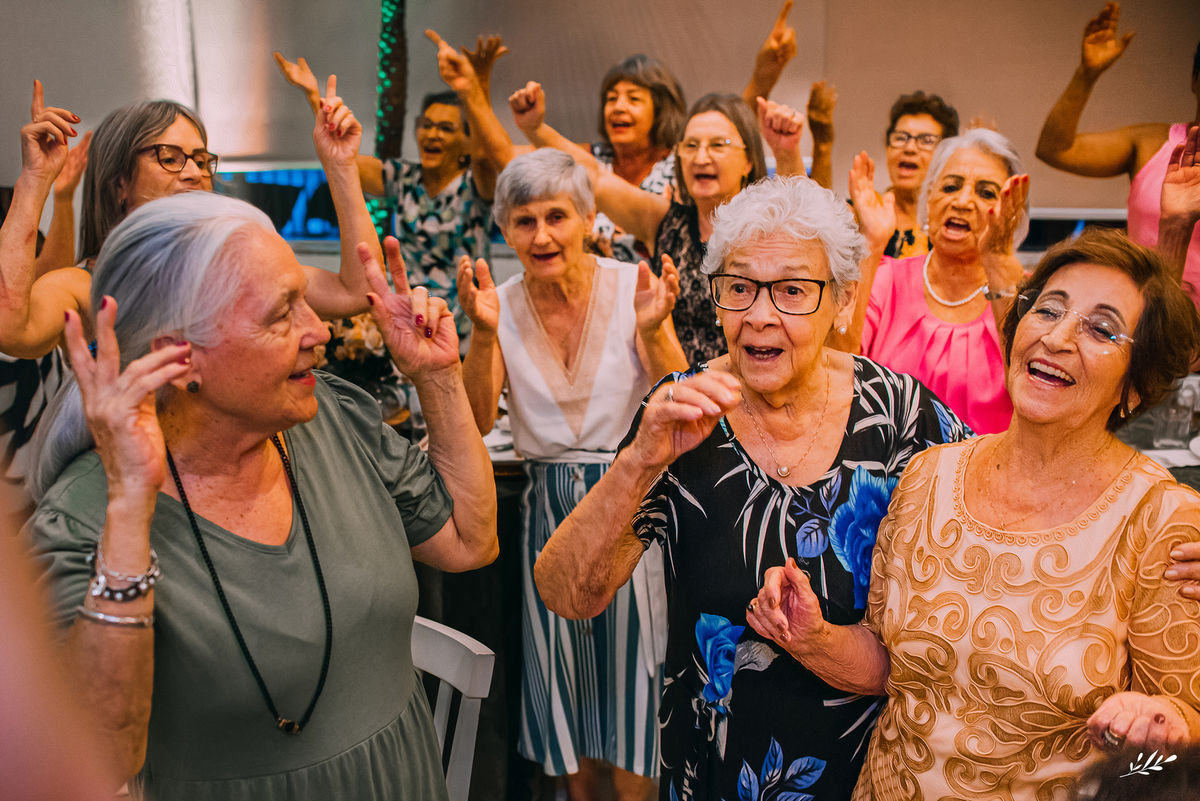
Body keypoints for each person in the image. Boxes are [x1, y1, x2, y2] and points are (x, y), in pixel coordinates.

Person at [26, 190, 498, 799]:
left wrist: (439, 376)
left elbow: (469, 541)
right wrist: (131, 506)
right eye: (282, 314)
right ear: (179, 356)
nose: (319, 330)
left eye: (305, 300)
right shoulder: (85, 519)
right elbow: (99, 758)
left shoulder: (330, 417)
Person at [533, 177, 970, 801]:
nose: (760, 315)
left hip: (871, 772)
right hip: (712, 766)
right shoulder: (682, 413)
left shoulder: (898, 415)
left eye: (792, 290)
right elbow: (568, 595)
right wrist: (638, 463)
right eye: (739, 288)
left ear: (843, 299)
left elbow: (986, 551)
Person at [746, 228, 1200, 800]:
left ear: (1135, 384)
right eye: (1047, 310)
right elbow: (891, 665)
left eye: (1101, 329)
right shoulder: (929, 476)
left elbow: (1176, 759)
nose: (1057, 337)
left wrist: (1160, 735)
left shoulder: (1161, 520)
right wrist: (812, 636)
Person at [0, 80, 379, 509]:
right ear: (119, 182)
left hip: (229, 482)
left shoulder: (237, 270)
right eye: (169, 157)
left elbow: (358, 289)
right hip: (132, 494)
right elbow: (11, 327)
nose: (194, 172)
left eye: (201, 159)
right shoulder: (86, 286)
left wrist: (342, 167)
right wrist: (35, 180)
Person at [455, 148, 686, 801]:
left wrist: (655, 328)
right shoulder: (497, 305)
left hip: (630, 507)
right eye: (523, 221)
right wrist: (481, 335)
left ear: (588, 218)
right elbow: (475, 418)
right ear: (505, 230)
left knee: (635, 682)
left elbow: (678, 398)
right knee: (563, 685)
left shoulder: (633, 285)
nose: (542, 236)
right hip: (549, 517)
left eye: (556, 216)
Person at [513, 85, 808, 366]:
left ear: (748, 161)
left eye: (718, 145)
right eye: (690, 145)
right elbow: (595, 176)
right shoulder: (664, 222)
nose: (700, 157)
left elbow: (800, 214)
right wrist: (535, 129)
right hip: (676, 387)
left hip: (752, 386)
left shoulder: (767, 234)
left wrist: (786, 151)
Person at [276, 31, 515, 346]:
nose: (432, 134)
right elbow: (344, 159)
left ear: (466, 143)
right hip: (407, 325)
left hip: (464, 333)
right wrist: (312, 95)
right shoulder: (403, 178)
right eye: (426, 125)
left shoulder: (475, 184)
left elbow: (487, 155)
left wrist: (476, 85)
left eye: (446, 128)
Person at [836, 127, 1030, 435]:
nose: (962, 201)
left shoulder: (1028, 295)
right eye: (950, 186)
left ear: (1013, 213)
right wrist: (871, 242)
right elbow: (836, 367)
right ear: (929, 200)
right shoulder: (886, 279)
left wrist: (998, 261)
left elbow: (1030, 393)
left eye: (985, 193)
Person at [1035, 3, 1200, 300]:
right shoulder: (1152, 142)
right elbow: (1056, 149)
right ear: (1194, 78)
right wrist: (1087, 74)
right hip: (1145, 313)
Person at [0, 89, 90, 526]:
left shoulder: (34, 294)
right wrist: (35, 182)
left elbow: (47, 279)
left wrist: (62, 197)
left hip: (43, 490)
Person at [873, 91, 960, 259]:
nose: (910, 148)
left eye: (926, 141)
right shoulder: (861, 216)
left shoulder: (954, 225)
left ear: (946, 156)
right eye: (901, 138)